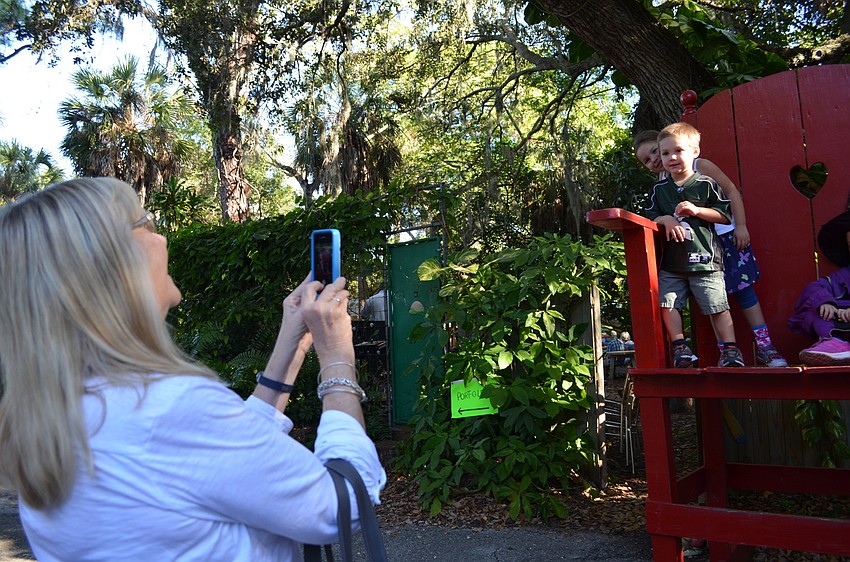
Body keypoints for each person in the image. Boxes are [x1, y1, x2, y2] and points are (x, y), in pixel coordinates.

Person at [0, 177, 386, 561]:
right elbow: (343, 504)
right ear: (113, 264)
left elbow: (221, 456)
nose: (163, 239)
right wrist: (337, 358)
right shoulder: (166, 405)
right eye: (146, 224)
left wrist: (292, 342)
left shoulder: (58, 411)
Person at [634, 129, 788, 367]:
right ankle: (726, 353)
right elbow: (658, 214)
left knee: (743, 290)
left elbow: (730, 191)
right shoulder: (663, 184)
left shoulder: (699, 165)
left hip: (727, 238)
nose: (654, 159)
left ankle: (765, 347)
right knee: (714, 297)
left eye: (655, 151)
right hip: (698, 248)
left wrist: (742, 225)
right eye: (647, 160)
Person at [642, 122, 745, 368]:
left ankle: (730, 350)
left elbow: (724, 215)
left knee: (717, 305)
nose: (671, 157)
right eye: (665, 153)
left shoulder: (705, 184)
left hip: (706, 260)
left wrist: (698, 210)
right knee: (666, 303)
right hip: (672, 263)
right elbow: (650, 216)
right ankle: (680, 348)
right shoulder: (659, 190)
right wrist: (664, 218)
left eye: (678, 151)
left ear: (694, 152)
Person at [789, 210, 850, 365]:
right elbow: (815, 287)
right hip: (843, 330)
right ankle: (836, 345)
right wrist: (827, 303)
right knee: (820, 311)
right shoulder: (842, 276)